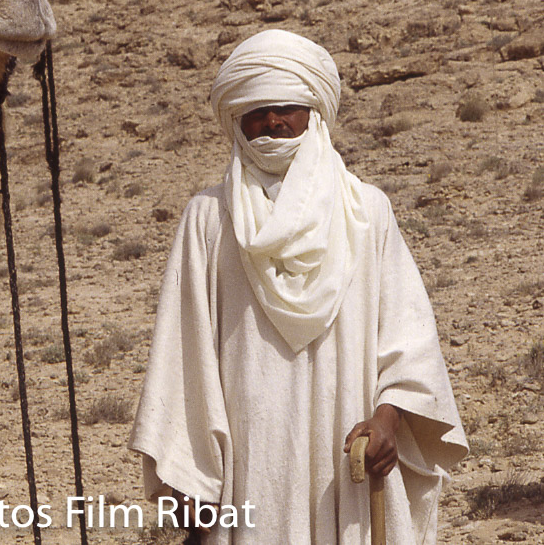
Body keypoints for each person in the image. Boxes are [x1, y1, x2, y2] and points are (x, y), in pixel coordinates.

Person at [129, 29, 467, 544]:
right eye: (257, 108)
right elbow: (185, 351)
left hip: (345, 450)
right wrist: (194, 472)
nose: (272, 121)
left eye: (286, 106)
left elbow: (407, 337)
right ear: (236, 117)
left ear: (313, 111)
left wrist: (388, 420)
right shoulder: (208, 217)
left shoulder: (366, 212)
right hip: (248, 454)